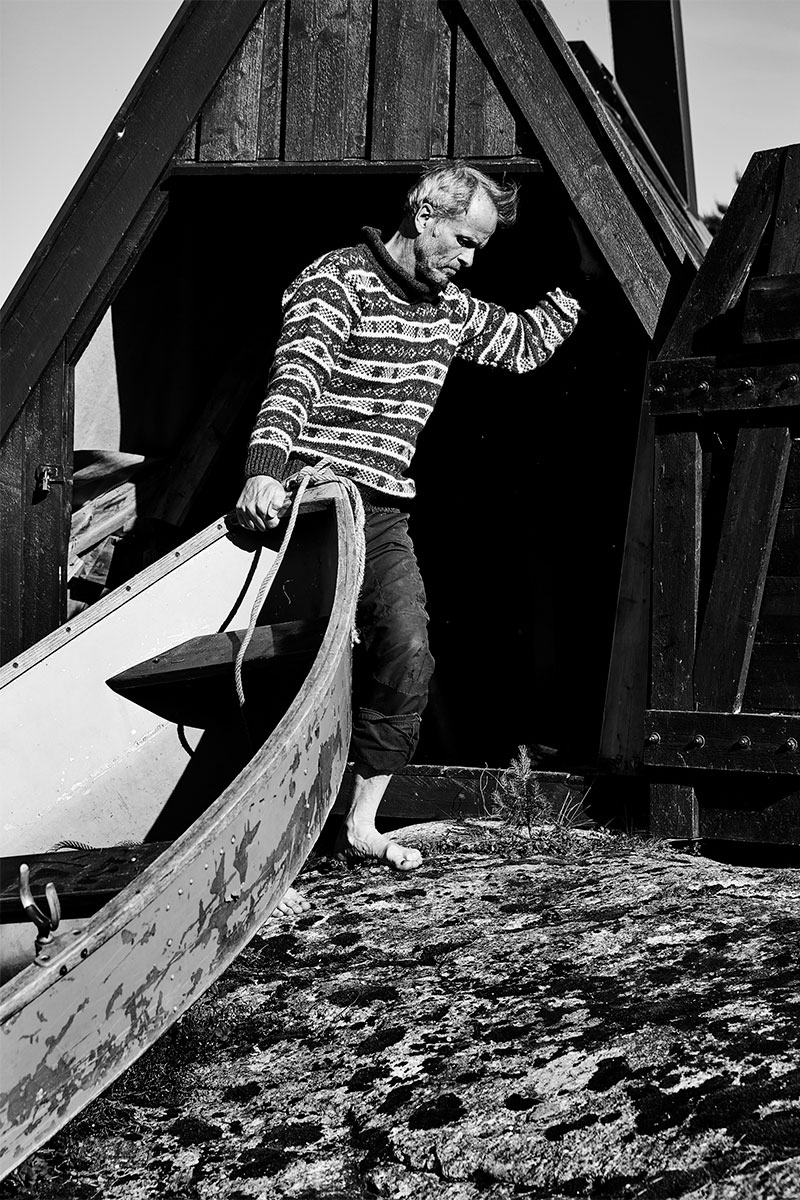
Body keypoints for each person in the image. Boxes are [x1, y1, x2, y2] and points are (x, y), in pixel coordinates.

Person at [235, 161, 600, 916]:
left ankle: (359, 824)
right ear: (425, 212)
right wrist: (265, 469)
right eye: (463, 242)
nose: (468, 261)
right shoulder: (337, 281)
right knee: (302, 678)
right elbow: (294, 378)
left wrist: (583, 282)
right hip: (313, 503)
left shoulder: (449, 309)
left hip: (386, 511)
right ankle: (266, 858)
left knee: (407, 651)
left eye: (479, 250)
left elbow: (524, 343)